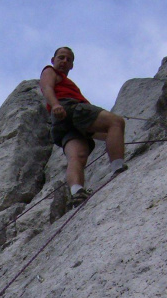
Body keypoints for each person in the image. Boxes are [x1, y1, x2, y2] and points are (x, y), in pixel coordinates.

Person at [40, 46, 127, 208]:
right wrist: (56, 104)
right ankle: (118, 168)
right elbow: (47, 88)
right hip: (69, 107)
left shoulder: (64, 80)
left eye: (68, 59)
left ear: (72, 65)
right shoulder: (50, 71)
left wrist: (109, 137)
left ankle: (77, 192)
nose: (64, 61)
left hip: (63, 123)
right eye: (61, 57)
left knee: (77, 156)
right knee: (116, 122)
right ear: (53, 60)